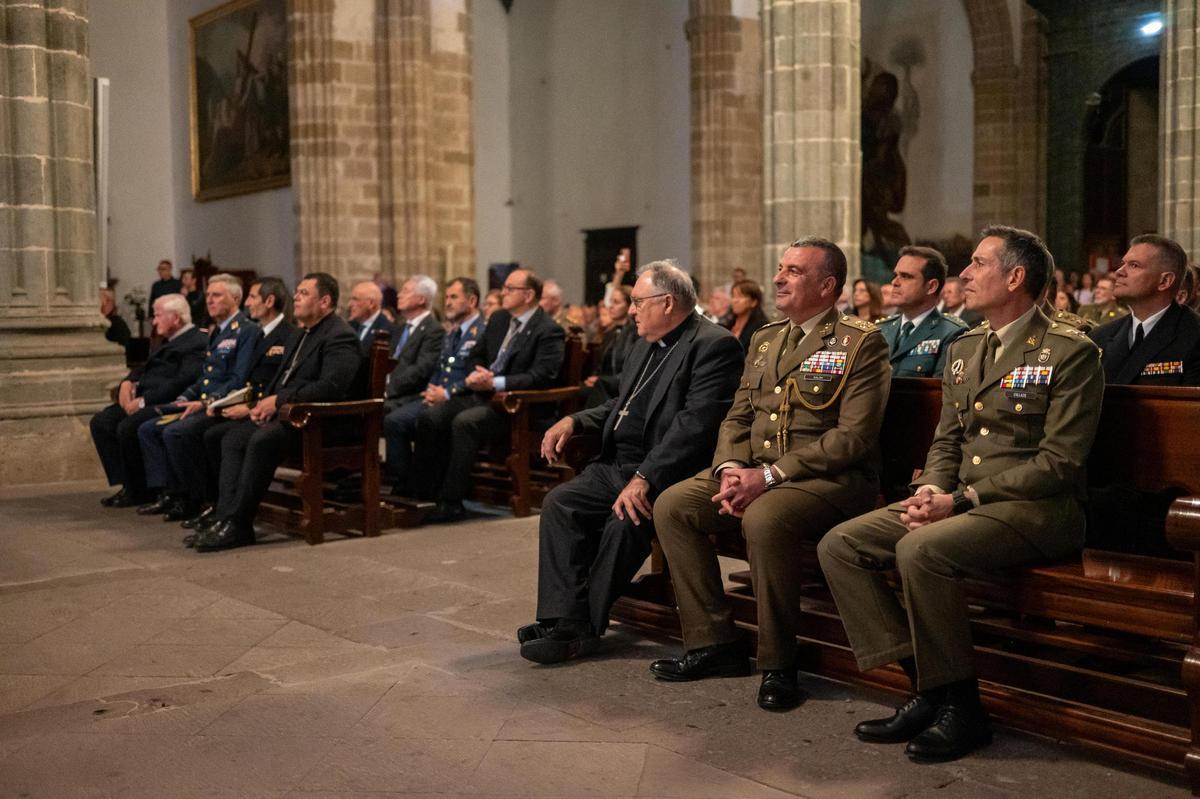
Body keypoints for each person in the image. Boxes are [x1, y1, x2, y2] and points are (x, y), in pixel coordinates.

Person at [817, 225, 1104, 763]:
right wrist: (930, 486)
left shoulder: (1070, 352)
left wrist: (962, 499)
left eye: (977, 264)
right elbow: (948, 439)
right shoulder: (966, 347)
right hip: (963, 502)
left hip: (1038, 510)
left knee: (920, 549)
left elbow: (1059, 463)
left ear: (1016, 277)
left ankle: (964, 710)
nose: (964, 274)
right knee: (841, 545)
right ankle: (931, 689)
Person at [648, 237, 891, 712]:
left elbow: (852, 438)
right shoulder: (765, 339)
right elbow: (738, 416)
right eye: (780, 268)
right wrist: (731, 468)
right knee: (674, 505)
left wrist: (772, 476)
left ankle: (779, 662)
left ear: (828, 286)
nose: (778, 278)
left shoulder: (861, 342)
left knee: (764, 519)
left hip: (831, 482)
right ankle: (714, 642)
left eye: (794, 272)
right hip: (757, 472)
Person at [520, 261, 744, 664]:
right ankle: (562, 617)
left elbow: (696, 426)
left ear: (668, 303)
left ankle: (581, 626)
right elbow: (619, 405)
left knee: (626, 521)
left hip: (667, 471)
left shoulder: (713, 345)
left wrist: (645, 476)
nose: (631, 311)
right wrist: (575, 419)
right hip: (618, 465)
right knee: (560, 503)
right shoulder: (644, 343)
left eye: (638, 302)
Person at [192, 273, 362, 551]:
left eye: (304, 293)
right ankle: (225, 518)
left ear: (325, 301)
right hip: (292, 415)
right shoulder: (302, 334)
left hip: (321, 422)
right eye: (296, 292)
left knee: (261, 441)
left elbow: (331, 387)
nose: (295, 297)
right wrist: (261, 405)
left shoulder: (339, 335)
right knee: (226, 436)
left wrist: (278, 401)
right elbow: (280, 380)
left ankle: (240, 523)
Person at [413, 268, 565, 523]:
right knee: (431, 416)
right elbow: (477, 354)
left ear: (528, 295)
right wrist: (477, 373)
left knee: (465, 422)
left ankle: (452, 502)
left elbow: (541, 376)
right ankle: (426, 493)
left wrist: (494, 381)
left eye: (509, 288)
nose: (502, 292)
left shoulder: (548, 329)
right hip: (483, 394)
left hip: (517, 407)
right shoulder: (499, 319)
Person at [176, 278, 299, 540]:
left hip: (272, 412)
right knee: (212, 435)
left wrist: (249, 406)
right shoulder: (260, 334)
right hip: (254, 405)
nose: (247, 303)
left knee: (222, 436)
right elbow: (247, 379)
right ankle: (222, 509)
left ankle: (231, 515)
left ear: (269, 301)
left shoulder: (289, 335)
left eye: (252, 297)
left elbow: (280, 383)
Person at [135, 274, 260, 521]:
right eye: (208, 296)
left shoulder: (246, 331)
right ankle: (174, 493)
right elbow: (205, 376)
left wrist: (204, 402)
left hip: (222, 406)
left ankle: (199, 498)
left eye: (217, 295)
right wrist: (185, 397)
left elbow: (239, 379)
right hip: (204, 400)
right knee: (149, 428)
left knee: (176, 432)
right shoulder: (217, 332)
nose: (209, 301)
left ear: (235, 298)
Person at [91, 294, 206, 507]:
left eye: (158, 315)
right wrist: (127, 382)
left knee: (128, 427)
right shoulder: (168, 340)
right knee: (102, 422)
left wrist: (144, 401)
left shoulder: (196, 341)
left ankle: (143, 489)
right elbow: (145, 366)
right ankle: (129, 483)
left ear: (176, 318)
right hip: (144, 398)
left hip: (166, 402)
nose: (153, 321)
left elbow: (182, 381)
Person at [384, 277, 480, 494]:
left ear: (472, 300)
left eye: (454, 297)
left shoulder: (479, 331)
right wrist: (432, 389)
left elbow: (475, 373)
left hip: (460, 397)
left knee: (423, 419)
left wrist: (446, 392)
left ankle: (421, 489)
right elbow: (438, 367)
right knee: (396, 420)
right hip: (436, 394)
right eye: (446, 297)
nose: (447, 302)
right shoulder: (452, 332)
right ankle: (408, 485)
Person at [1090, 234, 1200, 386]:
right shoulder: (1100, 337)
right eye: (1123, 263)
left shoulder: (1193, 335)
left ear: (1164, 281)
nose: (1119, 272)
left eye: (1134, 265)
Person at [877, 246, 966, 378]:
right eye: (896, 275)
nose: (894, 282)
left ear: (931, 286)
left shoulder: (952, 333)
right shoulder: (881, 329)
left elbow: (940, 392)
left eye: (906, 276)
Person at [385, 276, 445, 401]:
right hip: (387, 390)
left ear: (421, 299)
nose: (399, 295)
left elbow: (420, 370)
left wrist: (387, 390)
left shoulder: (434, 330)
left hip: (407, 395)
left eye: (405, 291)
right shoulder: (400, 328)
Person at [582, 285, 637, 407]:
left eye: (616, 302)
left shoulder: (635, 333)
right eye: (611, 302)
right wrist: (595, 377)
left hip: (618, 386)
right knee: (580, 390)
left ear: (628, 306)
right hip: (603, 383)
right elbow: (601, 364)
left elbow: (630, 371)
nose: (610, 306)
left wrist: (600, 380)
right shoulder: (610, 333)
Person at [347, 281, 395, 356]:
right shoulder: (349, 327)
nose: (349, 304)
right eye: (350, 299)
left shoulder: (386, 330)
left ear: (371, 304)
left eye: (355, 299)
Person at [725, 279, 771, 353]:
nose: (735, 300)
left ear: (754, 302)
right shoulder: (728, 323)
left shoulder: (761, 327)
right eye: (733, 296)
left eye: (740, 296)